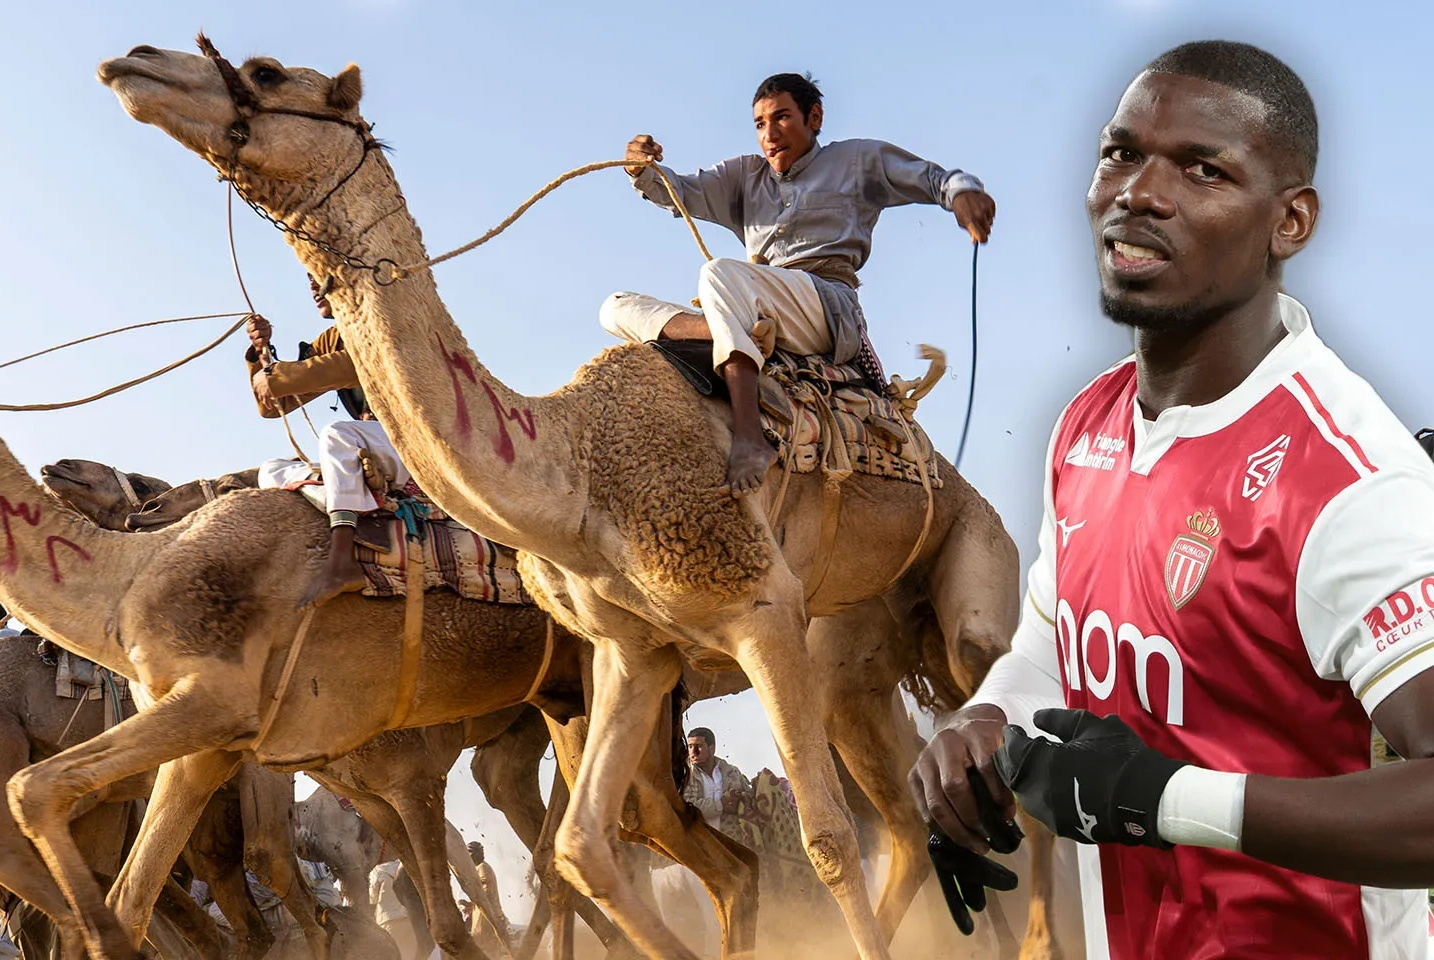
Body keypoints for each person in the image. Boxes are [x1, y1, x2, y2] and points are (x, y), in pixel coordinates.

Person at [907, 40, 1434, 959]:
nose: (1140, 193)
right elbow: (1053, 646)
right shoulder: (1087, 423)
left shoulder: (1351, 477)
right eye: (1121, 153)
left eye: (1202, 169)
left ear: (1290, 221)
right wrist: (981, 723)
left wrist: (1163, 801)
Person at [601, 72, 996, 497]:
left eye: (782, 118)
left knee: (718, 273)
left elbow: (934, 178)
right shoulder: (744, 175)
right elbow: (678, 191)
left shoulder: (856, 160)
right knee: (615, 307)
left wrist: (963, 195)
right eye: (760, 124)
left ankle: (750, 435)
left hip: (825, 304)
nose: (769, 135)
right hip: (757, 301)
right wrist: (640, 170)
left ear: (815, 118)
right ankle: (739, 332)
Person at [246, 275, 411, 608]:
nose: (313, 287)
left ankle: (341, 559)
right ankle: (355, 502)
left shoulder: (389, 321)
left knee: (338, 434)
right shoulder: (335, 338)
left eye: (319, 276)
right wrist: (261, 354)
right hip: (377, 449)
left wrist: (276, 376)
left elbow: (353, 363)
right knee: (272, 471)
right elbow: (273, 406)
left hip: (415, 446)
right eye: (308, 278)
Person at [682, 726, 753, 838]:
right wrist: (720, 805)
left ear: (712, 748)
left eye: (699, 746)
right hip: (700, 839)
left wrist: (740, 799)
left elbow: (749, 798)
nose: (693, 752)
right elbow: (686, 807)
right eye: (690, 746)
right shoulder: (686, 775)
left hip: (732, 838)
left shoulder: (731, 772)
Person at [463, 841, 510, 954]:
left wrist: (470, 902)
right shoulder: (479, 867)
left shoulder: (483, 868)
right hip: (481, 911)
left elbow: (485, 893)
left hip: (486, 914)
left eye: (470, 852)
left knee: (484, 945)